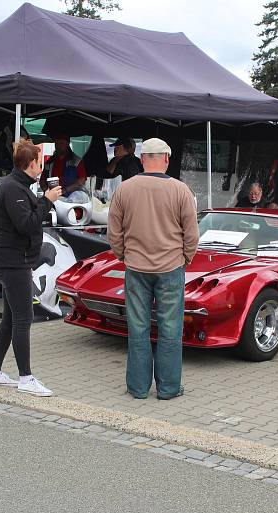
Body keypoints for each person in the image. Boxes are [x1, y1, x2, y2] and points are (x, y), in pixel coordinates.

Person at [107, 138, 199, 400]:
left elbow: (114, 232)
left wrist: (124, 255)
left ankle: (137, 388)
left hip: (136, 267)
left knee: (138, 328)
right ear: (166, 159)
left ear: (143, 159)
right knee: (170, 328)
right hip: (170, 267)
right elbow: (191, 235)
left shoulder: (124, 189)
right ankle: (169, 388)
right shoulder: (181, 190)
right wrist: (185, 259)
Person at [0, 139, 62, 396]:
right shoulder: (14, 189)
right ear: (30, 165)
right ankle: (26, 378)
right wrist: (47, 201)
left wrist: (41, 199)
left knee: (10, 318)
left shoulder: (19, 185)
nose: (42, 168)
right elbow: (27, 225)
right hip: (12, 263)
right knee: (23, 319)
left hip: (12, 261)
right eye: (39, 164)